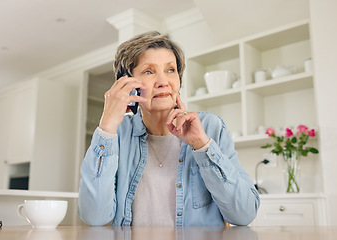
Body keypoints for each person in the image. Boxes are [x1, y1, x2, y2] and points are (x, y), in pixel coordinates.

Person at [78, 31, 259, 226]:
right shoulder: (117, 135)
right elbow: (94, 216)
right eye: (149, 71)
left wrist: (202, 146)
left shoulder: (210, 128)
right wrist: (107, 126)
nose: (163, 81)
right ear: (127, 84)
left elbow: (244, 214)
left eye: (170, 70)